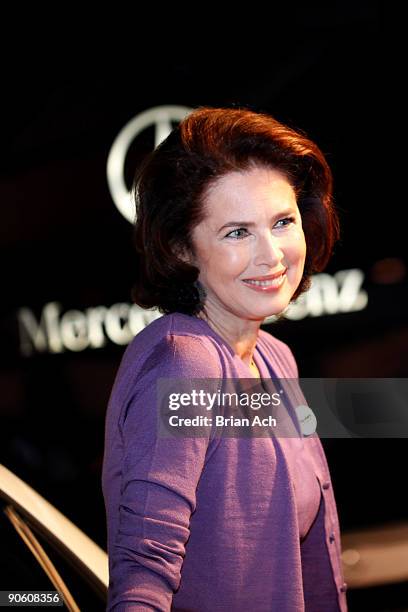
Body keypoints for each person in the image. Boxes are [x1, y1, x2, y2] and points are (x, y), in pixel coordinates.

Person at [101, 106, 348, 611]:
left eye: (282, 222)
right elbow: (144, 573)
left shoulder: (275, 358)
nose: (273, 255)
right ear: (182, 248)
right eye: (237, 232)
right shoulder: (185, 364)